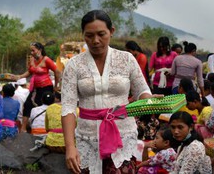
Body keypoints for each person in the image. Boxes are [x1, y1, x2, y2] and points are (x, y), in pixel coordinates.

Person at [61, 10, 159, 173]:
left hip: (122, 134)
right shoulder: (74, 65)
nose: (95, 41)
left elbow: (141, 89)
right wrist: (70, 147)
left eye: (101, 34)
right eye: (89, 35)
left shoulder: (126, 59)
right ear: (83, 35)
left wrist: (147, 99)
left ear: (111, 31)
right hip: (88, 137)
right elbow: (68, 107)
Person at [14, 42, 61, 133]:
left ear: (39, 50)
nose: (31, 53)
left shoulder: (46, 59)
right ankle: (23, 129)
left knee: (44, 106)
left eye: (33, 50)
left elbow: (57, 72)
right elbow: (29, 72)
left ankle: (46, 127)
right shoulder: (32, 60)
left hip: (46, 87)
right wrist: (19, 76)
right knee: (28, 105)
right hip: (35, 88)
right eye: (30, 51)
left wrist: (56, 86)